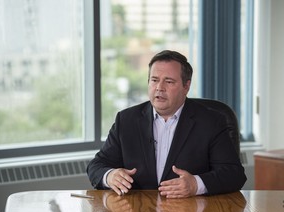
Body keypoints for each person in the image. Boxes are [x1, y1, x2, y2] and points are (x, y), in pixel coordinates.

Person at [87, 50, 247, 198]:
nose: (159, 88)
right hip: (139, 210)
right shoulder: (127, 120)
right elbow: (97, 165)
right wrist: (110, 176)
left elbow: (233, 174)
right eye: (154, 80)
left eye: (169, 82)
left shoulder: (212, 121)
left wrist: (195, 184)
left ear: (186, 86)